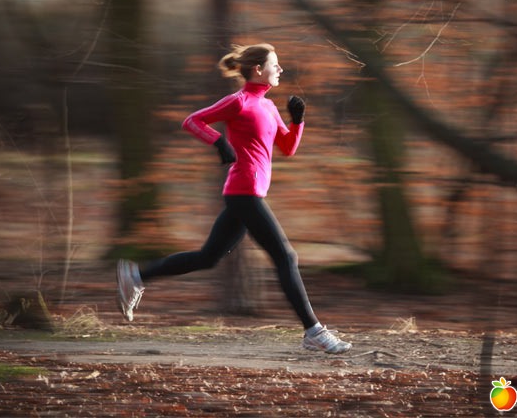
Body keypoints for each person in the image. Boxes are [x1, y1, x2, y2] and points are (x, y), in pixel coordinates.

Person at [116, 43, 352, 354]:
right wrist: (219, 142)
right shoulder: (238, 101)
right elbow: (192, 121)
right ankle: (314, 332)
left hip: (246, 193)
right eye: (275, 64)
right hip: (245, 190)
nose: (280, 69)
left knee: (208, 257)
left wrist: (298, 120)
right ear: (258, 69)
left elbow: (287, 148)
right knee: (286, 257)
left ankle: (135, 275)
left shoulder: (268, 106)